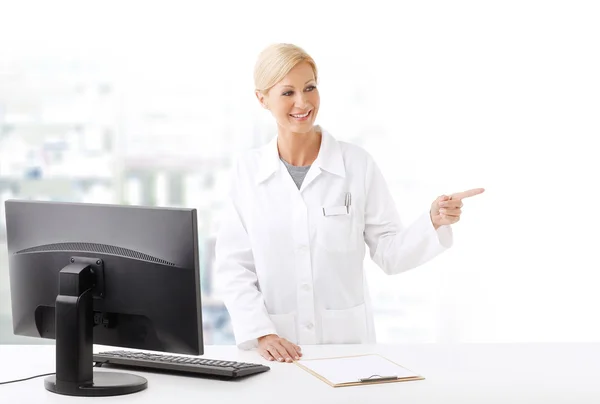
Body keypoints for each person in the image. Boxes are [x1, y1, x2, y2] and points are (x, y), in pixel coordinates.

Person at [215, 43, 484, 363]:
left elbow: (390, 253)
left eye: (310, 88)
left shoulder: (357, 165)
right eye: (287, 93)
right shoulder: (247, 173)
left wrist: (433, 221)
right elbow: (234, 267)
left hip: (347, 349)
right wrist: (262, 332)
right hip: (276, 350)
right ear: (262, 99)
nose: (302, 102)